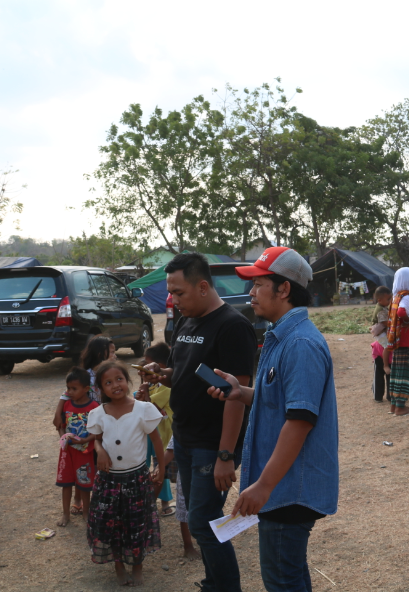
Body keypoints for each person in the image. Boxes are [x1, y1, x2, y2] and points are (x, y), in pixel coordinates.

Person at [207, 247, 338, 592]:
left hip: (287, 489)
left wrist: (264, 486)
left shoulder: (299, 344)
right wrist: (241, 393)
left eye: (258, 284)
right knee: (289, 575)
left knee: (282, 581)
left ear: (283, 289)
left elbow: (300, 421)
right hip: (282, 485)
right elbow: (283, 403)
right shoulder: (281, 337)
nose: (250, 293)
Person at [141, 252, 257, 592]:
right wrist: (163, 375)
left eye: (179, 293)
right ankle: (212, 582)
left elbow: (235, 395)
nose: (173, 301)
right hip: (186, 438)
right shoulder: (186, 321)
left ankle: (225, 587)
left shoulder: (233, 326)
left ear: (203, 286)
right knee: (197, 519)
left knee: (205, 525)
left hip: (212, 445)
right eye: (171, 293)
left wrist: (225, 455)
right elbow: (186, 374)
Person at [86, 361, 165, 586]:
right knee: (110, 524)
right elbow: (96, 441)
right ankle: (118, 566)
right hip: (107, 480)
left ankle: (137, 566)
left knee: (136, 524)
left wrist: (160, 467)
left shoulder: (143, 409)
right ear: (101, 389)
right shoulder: (98, 413)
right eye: (108, 383)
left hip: (136, 479)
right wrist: (100, 451)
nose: (115, 385)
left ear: (127, 381)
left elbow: (156, 441)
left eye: (119, 379)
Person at [53, 334, 117, 515]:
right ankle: (78, 498)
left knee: (95, 464)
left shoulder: (110, 374)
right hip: (84, 427)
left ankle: (96, 497)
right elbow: (66, 393)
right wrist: (58, 412)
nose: (115, 355)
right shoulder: (86, 375)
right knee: (84, 464)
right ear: (100, 354)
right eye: (111, 352)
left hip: (103, 424)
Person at [56, 366, 99, 527]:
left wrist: (85, 440)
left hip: (85, 451)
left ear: (86, 389)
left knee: (85, 485)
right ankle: (65, 514)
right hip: (67, 452)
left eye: (74, 388)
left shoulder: (94, 406)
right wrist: (62, 436)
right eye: (68, 388)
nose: (70, 391)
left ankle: (86, 513)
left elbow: (99, 430)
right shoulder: (67, 405)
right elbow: (60, 424)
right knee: (66, 483)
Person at [138, 341, 175, 515]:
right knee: (158, 473)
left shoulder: (166, 387)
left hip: (167, 438)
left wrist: (145, 393)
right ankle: (150, 508)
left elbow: (150, 408)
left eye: (146, 366)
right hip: (156, 436)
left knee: (161, 473)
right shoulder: (155, 385)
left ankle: (152, 508)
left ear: (158, 366)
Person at [384, 267, 409, 415]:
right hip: (406, 340)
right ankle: (400, 407)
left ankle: (394, 406)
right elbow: (401, 312)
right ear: (407, 281)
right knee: (406, 373)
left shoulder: (396, 296)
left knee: (397, 373)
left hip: (398, 340)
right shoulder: (406, 297)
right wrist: (408, 321)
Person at [162, 436, 200, 559]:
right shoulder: (182, 425)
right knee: (184, 509)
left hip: (207, 472)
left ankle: (208, 542)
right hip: (186, 473)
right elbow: (171, 450)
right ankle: (188, 546)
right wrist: (159, 467)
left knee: (208, 508)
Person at [369, 286, 392, 403]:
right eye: (388, 299)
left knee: (378, 375)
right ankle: (386, 365)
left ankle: (379, 396)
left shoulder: (381, 307)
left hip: (379, 333)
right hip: (380, 334)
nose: (390, 301)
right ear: (380, 300)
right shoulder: (381, 310)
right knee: (387, 346)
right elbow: (384, 323)